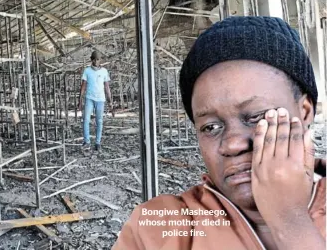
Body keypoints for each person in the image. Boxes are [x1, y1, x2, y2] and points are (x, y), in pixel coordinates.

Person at [113, 16, 326, 250]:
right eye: (211, 127)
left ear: (305, 112)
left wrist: (289, 221)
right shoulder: (156, 230)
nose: (232, 145)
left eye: (255, 116)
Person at [78, 51, 113, 152]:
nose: (96, 61)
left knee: (99, 121)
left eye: (97, 59)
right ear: (91, 59)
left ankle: (98, 142)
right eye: (94, 59)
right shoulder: (87, 71)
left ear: (100, 60)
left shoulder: (104, 71)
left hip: (100, 99)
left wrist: (110, 101)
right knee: (86, 119)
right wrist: (80, 100)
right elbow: (83, 86)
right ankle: (87, 142)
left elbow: (107, 87)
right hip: (89, 98)